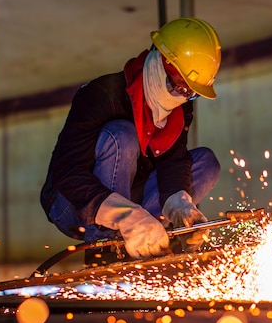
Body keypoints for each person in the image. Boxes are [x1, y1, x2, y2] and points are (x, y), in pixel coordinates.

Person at [40, 17, 222, 261]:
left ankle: (154, 239)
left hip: (132, 196)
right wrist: (127, 216)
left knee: (206, 163)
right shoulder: (103, 95)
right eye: (178, 84)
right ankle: (104, 249)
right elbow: (67, 173)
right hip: (73, 203)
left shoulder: (180, 108)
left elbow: (173, 161)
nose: (180, 95)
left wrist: (181, 207)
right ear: (160, 61)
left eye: (189, 93)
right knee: (122, 135)